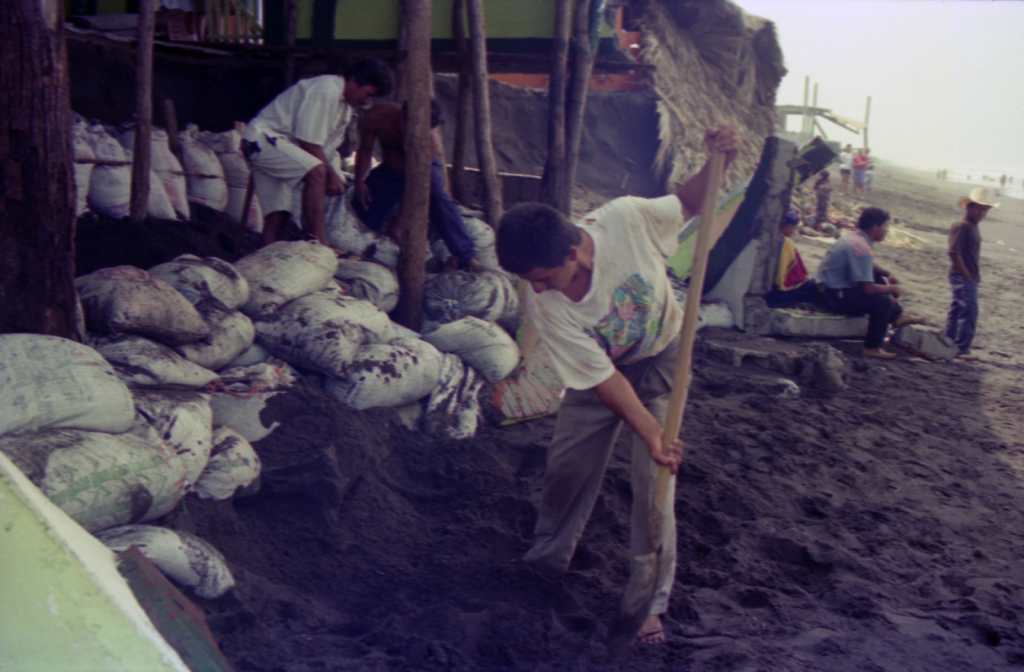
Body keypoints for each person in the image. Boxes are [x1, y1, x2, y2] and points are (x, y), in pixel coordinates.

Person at [495, 127, 740, 647]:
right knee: (567, 465)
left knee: (655, 478)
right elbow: (603, 380)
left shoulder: (627, 219)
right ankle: (545, 562)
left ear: (575, 253)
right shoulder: (548, 302)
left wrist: (719, 158)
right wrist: (644, 425)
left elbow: (693, 202)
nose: (536, 290)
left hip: (661, 355)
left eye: (542, 277)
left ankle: (648, 603)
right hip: (602, 372)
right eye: (528, 281)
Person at [242, 59, 393, 246]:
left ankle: (267, 254)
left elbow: (326, 148)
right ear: (355, 81)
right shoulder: (326, 90)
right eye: (367, 94)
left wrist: (336, 175)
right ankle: (318, 241)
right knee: (317, 172)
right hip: (262, 140)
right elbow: (309, 142)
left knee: (278, 214)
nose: (366, 101)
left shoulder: (344, 107)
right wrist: (330, 175)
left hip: (282, 147)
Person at [353, 99, 476, 269]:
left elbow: (414, 185)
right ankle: (372, 245)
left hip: (423, 170)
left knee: (439, 199)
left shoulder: (428, 140)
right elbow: (365, 150)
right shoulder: (377, 116)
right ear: (403, 118)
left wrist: (401, 220)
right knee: (363, 208)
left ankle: (465, 255)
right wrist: (359, 181)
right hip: (390, 170)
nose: (416, 132)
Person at [816, 207, 914, 358]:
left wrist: (885, 273)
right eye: (885, 227)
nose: (887, 231)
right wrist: (892, 288)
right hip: (833, 296)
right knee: (883, 302)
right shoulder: (861, 247)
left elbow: (865, 267)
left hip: (828, 289)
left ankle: (896, 317)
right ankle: (872, 347)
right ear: (875, 227)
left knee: (880, 278)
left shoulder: (855, 238)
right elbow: (868, 289)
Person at [946, 187, 997, 357]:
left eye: (985, 210)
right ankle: (961, 348)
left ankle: (949, 341)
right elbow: (953, 252)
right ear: (969, 207)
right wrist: (966, 274)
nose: (983, 213)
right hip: (962, 275)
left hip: (969, 275)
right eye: (980, 208)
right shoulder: (962, 226)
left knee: (958, 309)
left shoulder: (973, 226)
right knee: (969, 310)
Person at [767, 210, 819, 308]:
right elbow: (785, 277)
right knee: (811, 287)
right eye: (793, 227)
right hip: (779, 294)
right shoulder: (786, 243)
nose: (793, 230)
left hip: (771, 291)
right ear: (786, 225)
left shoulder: (771, 238)